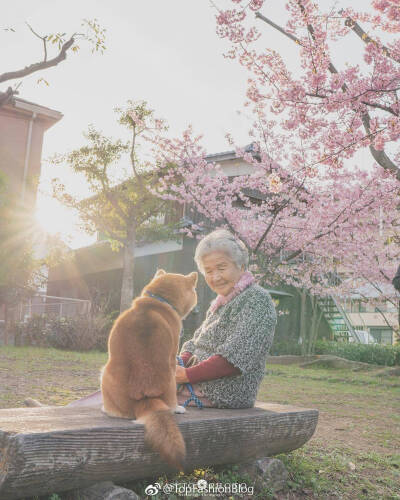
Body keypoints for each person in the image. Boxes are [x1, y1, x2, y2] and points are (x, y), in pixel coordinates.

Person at [25, 229, 276, 410]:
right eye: (208, 271)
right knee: (128, 377)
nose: (215, 277)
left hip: (223, 392)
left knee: (131, 398)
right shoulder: (221, 303)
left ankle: (62, 415)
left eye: (222, 268)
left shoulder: (256, 300)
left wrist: (184, 376)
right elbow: (193, 346)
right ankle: (63, 411)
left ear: (241, 266)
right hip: (194, 381)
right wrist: (174, 364)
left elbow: (234, 359)